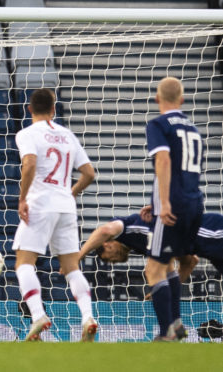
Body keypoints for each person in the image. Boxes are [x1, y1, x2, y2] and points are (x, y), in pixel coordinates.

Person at [13, 88, 97, 341]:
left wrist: (22, 199)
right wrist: (70, 192)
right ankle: (88, 317)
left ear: (30, 109)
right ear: (54, 108)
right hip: (65, 206)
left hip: (40, 203)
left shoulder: (26, 134)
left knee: (24, 263)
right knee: (71, 267)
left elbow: (29, 164)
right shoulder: (67, 135)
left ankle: (38, 315)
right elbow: (90, 174)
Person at [145, 77, 203, 341]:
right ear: (182, 100)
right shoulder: (193, 128)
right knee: (169, 263)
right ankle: (177, 324)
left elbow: (164, 160)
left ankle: (165, 331)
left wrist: (164, 202)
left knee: (153, 268)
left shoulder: (158, 124)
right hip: (194, 203)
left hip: (173, 206)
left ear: (157, 99)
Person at [82, 211, 223, 277]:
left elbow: (105, 230)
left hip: (209, 231)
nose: (113, 261)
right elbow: (190, 261)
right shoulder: (140, 246)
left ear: (107, 244)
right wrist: (168, 291)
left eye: (108, 258)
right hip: (208, 250)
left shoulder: (126, 228)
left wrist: (79, 255)